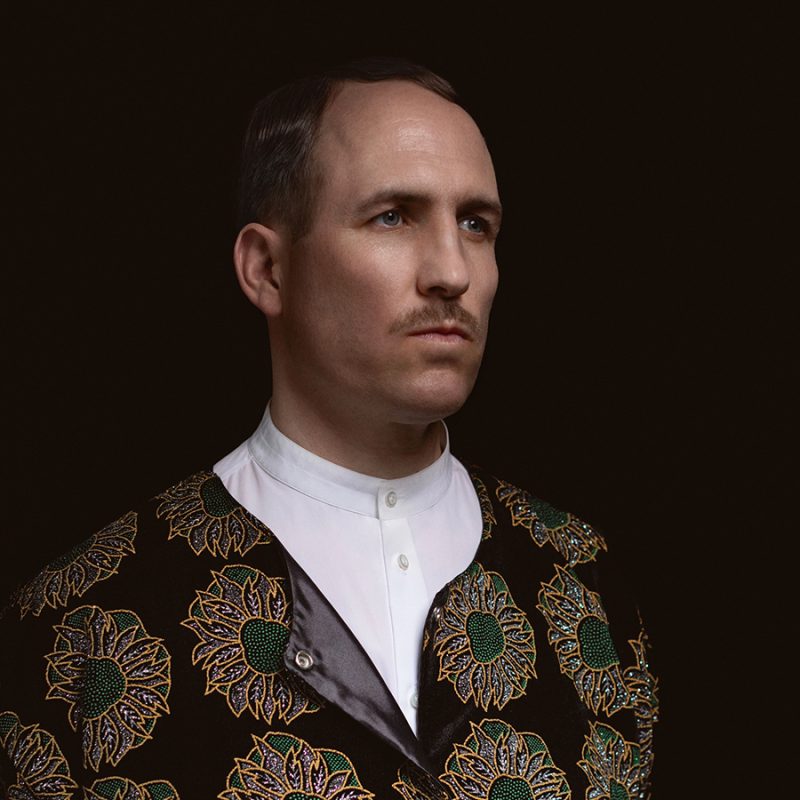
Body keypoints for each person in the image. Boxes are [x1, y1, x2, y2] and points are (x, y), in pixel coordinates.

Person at [0, 59, 658, 799]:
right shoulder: (80, 624)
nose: (453, 272)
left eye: (476, 224)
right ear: (267, 269)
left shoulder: (582, 582)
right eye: (393, 216)